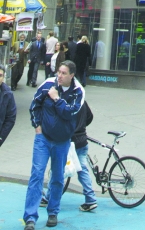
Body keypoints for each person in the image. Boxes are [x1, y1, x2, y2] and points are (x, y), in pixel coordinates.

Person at [23, 60, 84, 230]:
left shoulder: (78, 92)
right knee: (37, 174)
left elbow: (69, 113)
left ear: (72, 75)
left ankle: (53, 212)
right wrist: (37, 125)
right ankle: (30, 217)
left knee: (57, 178)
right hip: (43, 139)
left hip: (62, 142)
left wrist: (57, 98)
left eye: (64, 73)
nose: (60, 76)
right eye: (59, 72)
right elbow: (34, 105)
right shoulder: (48, 85)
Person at [41, 99, 97, 213]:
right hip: (82, 140)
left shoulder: (64, 103)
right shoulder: (82, 100)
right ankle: (90, 198)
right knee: (82, 169)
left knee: (58, 169)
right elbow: (89, 117)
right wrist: (81, 127)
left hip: (69, 142)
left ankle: (48, 197)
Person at [0, 66, 17, 148]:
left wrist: (1, 137)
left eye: (0, 75)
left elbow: (10, 118)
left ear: (3, 77)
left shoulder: (7, 94)